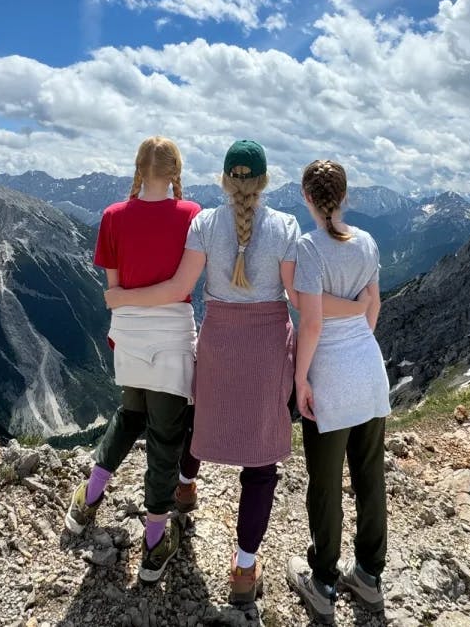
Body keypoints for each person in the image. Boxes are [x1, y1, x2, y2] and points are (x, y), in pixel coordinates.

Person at [105, 141, 369, 605]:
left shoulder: (204, 222)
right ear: (265, 182)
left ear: (226, 181)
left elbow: (180, 288)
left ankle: (185, 493)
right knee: (260, 464)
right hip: (267, 347)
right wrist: (355, 306)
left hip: (219, 342)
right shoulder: (285, 225)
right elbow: (296, 296)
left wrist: (123, 300)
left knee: (196, 420)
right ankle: (244, 571)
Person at [64, 136, 201, 585]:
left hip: (127, 335)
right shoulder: (192, 215)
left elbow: (115, 289)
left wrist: (123, 303)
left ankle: (88, 498)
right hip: (171, 337)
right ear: (176, 171)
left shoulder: (111, 216)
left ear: (138, 169)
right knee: (166, 437)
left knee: (129, 413)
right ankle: (155, 542)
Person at [285, 159, 391, 623]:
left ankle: (323, 580)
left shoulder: (309, 249)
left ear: (307, 197)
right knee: (369, 476)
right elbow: (374, 307)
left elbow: (310, 323)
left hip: (329, 374)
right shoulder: (366, 242)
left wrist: (300, 378)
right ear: (345, 197)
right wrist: (358, 338)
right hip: (369, 370)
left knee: (325, 485)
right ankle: (368, 575)